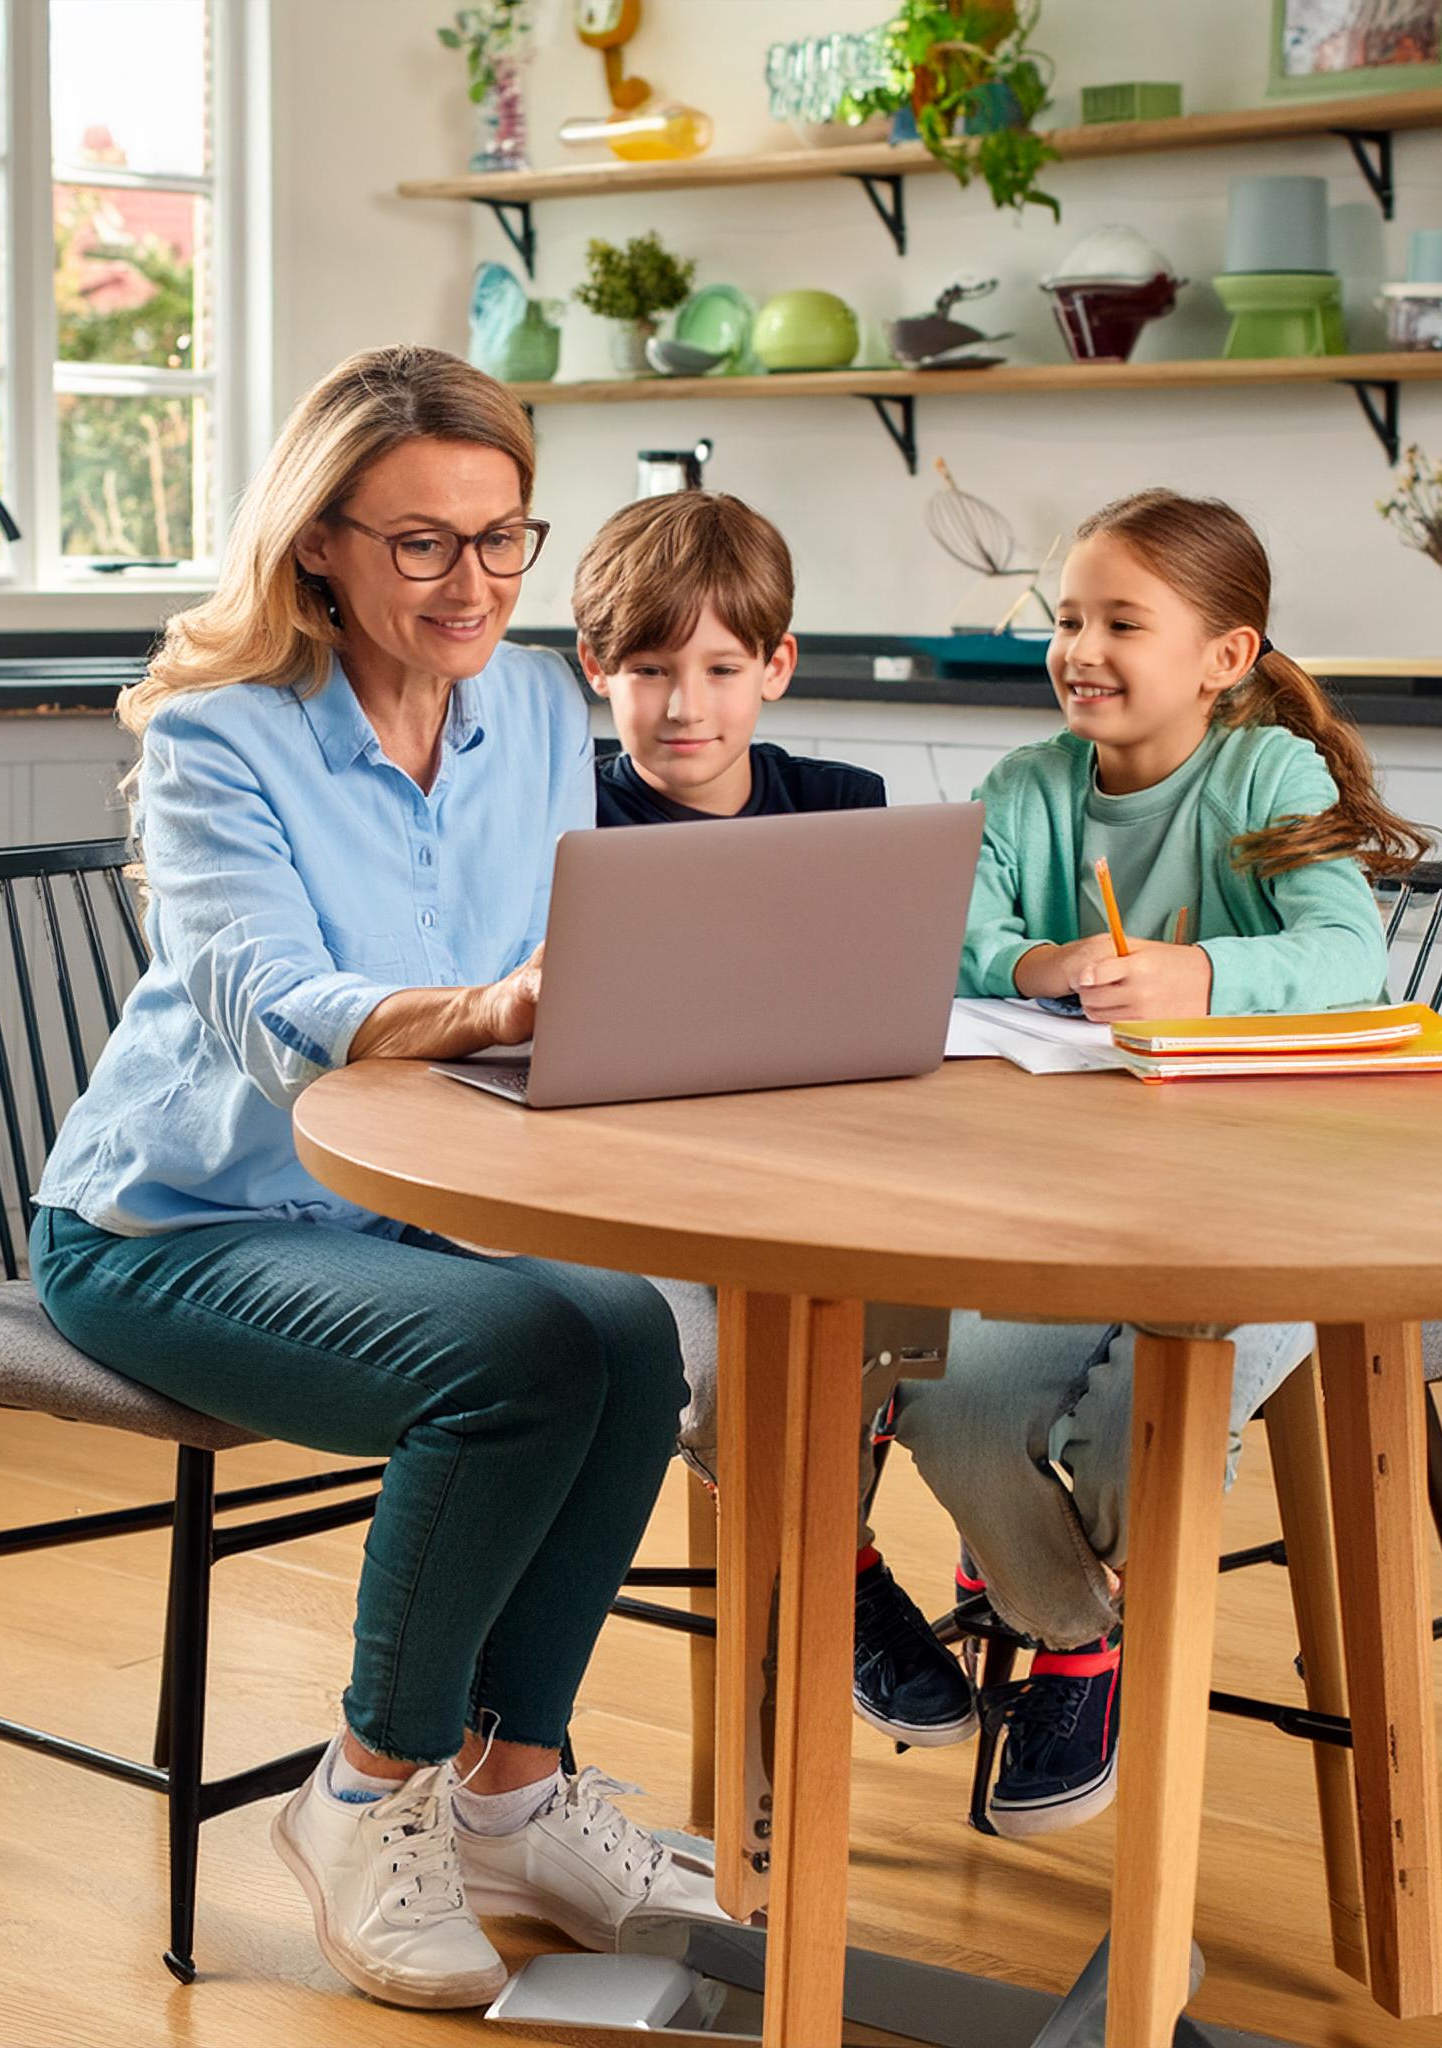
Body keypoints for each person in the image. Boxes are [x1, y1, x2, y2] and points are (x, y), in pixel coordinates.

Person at [27, 345, 715, 2013]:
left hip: (409, 1216)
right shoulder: (218, 739)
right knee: (523, 1359)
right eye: (421, 543)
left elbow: (563, 959)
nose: (471, 582)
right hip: (170, 1226)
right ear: (319, 543)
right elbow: (271, 1010)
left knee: (629, 1324)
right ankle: (356, 1791)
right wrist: (487, 1007)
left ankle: (509, 1791)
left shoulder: (541, 706)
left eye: (501, 538)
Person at [883, 487, 1442, 1838]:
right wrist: (1040, 961)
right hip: (1065, 1205)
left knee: (1132, 1429)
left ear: (1224, 656)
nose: (1079, 647)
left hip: (1276, 1214)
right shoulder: (1027, 788)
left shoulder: (1267, 777)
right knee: (949, 1407)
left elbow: (1347, 957)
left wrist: (1198, 970)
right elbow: (951, 940)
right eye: (1067, 618)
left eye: (1120, 621)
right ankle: (1074, 1631)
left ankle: (1052, 1622)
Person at [574, 489, 979, 1753]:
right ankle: (838, 1571)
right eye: (647, 669)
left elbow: (889, 1001)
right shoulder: (569, 818)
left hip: (823, 1180)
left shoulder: (841, 803)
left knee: (930, 1317)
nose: (683, 705)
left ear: (775, 668)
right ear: (598, 670)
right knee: (724, 1353)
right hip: (634, 1194)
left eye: (718, 668)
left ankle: (942, 1564)